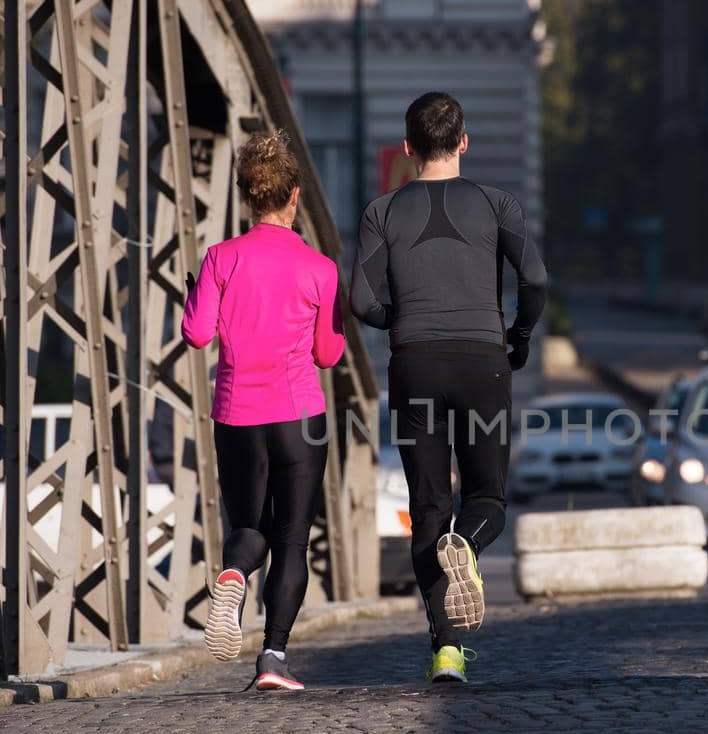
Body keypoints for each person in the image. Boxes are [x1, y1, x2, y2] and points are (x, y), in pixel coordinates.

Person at [351, 92, 548, 683]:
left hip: (414, 366)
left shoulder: (381, 211)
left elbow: (360, 300)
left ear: (408, 149)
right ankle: (468, 544)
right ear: (464, 141)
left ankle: (447, 652)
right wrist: (520, 334)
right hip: (483, 363)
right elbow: (534, 278)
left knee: (428, 507)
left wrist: (400, 322)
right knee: (486, 498)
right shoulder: (497, 203)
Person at [181, 132, 345, 691]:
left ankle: (232, 575)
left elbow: (197, 335)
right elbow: (328, 353)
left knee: (251, 527)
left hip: (237, 416)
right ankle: (273, 657)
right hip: (299, 414)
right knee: (293, 539)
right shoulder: (320, 268)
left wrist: (196, 297)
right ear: (294, 195)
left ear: (247, 198)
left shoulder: (220, 259)